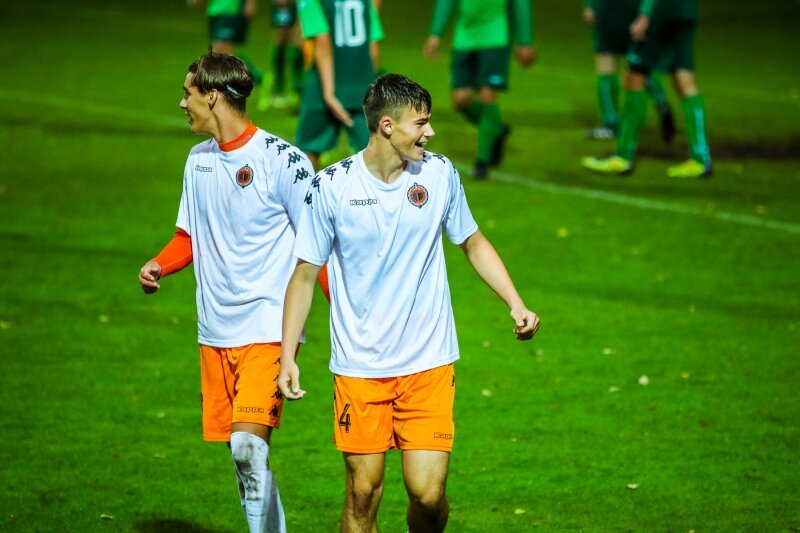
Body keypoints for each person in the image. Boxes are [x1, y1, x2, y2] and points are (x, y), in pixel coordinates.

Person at [278, 74, 540, 532]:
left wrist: (514, 302)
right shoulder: (331, 187)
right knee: (363, 492)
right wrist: (288, 356)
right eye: (421, 123)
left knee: (428, 493)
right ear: (387, 126)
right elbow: (303, 276)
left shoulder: (439, 174)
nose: (430, 132)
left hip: (427, 361)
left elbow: (473, 241)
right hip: (360, 366)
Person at [138, 50, 315, 532]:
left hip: (268, 327)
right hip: (216, 331)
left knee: (247, 447)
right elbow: (188, 236)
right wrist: (159, 265)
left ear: (213, 96)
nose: (182, 103)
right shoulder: (197, 161)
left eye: (187, 93)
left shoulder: (284, 161)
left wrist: (345, 312)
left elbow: (316, 247)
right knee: (244, 460)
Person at [581, 0, 712, 179]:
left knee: (634, 78)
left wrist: (644, 14)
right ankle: (700, 159)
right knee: (684, 80)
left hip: (660, 13)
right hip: (685, 11)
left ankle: (623, 157)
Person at [424, 0, 536, 180]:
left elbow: (520, 3)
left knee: (488, 95)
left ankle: (482, 161)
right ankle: (495, 129)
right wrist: (435, 33)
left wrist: (525, 40)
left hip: (495, 37)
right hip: (464, 37)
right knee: (460, 101)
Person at [295, 0, 384, 170]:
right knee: (377, 158)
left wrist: (329, 93)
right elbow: (373, 48)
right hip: (362, 87)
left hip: (322, 88)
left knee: (306, 157)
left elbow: (322, 40)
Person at [581, 0, 674, 143]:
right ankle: (662, 103)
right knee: (640, 64)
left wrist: (589, 5)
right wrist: (645, 13)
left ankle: (611, 123)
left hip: (608, 10)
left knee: (605, 63)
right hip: (634, 11)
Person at [188, 0, 264, 84]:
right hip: (215, 11)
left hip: (229, 11)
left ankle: (249, 75)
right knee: (219, 52)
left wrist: (250, 2)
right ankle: (251, 74)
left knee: (221, 50)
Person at [258, 0, 305, 110]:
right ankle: (278, 89)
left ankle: (297, 89)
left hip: (303, 4)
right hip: (285, 5)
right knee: (281, 41)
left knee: (299, 42)